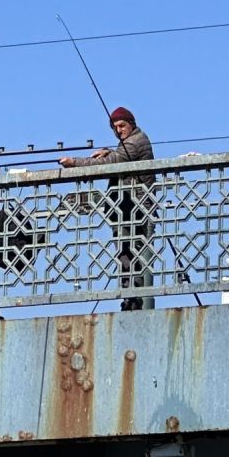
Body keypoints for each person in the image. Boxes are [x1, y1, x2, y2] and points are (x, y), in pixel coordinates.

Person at [61, 107, 156, 311]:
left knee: (133, 256)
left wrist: (74, 163)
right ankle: (130, 298)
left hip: (137, 210)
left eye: (122, 126)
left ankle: (134, 300)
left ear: (131, 124)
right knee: (127, 256)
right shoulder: (133, 141)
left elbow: (112, 163)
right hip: (128, 209)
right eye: (115, 127)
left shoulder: (136, 141)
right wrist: (109, 150)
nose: (118, 130)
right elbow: (119, 155)